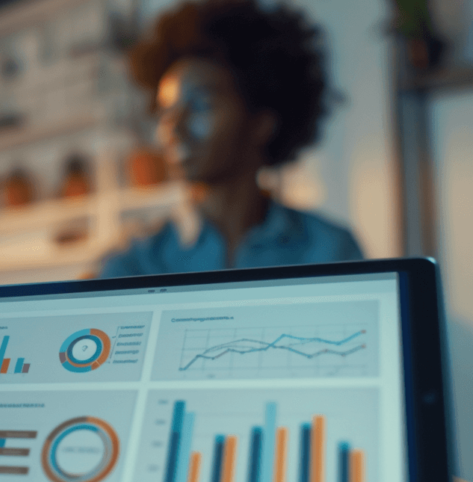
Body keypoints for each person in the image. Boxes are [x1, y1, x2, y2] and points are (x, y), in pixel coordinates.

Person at [99, 0, 363, 278]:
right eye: (166, 113)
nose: (173, 129)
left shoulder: (330, 252)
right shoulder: (133, 264)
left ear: (262, 123)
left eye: (201, 106)